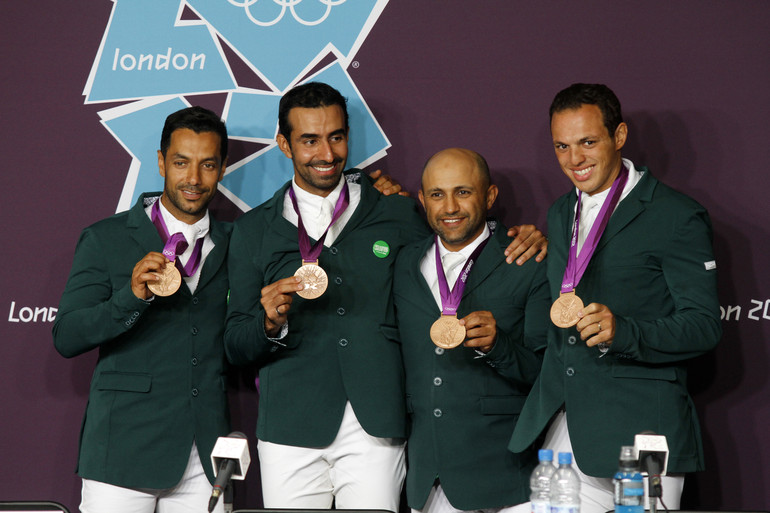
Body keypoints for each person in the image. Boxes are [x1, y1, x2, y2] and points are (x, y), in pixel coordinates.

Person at [224, 82, 547, 510]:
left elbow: (456, 247)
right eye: (309, 140)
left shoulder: (396, 210)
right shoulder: (252, 231)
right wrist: (268, 324)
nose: (326, 153)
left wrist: (522, 237)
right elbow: (235, 344)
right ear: (284, 144)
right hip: (290, 428)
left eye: (336, 137)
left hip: (376, 424)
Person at [509, 83, 722, 512]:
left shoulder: (675, 216)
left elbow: (704, 326)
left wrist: (622, 331)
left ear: (619, 136)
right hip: (565, 432)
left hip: (642, 432)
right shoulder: (558, 212)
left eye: (588, 142)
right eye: (562, 146)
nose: (574, 160)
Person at [53, 106, 232, 512]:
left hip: (205, 456)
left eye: (207, 165)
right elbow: (67, 336)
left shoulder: (237, 241)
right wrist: (132, 297)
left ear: (222, 168)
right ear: (160, 161)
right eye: (181, 162)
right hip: (122, 452)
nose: (193, 179)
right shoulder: (106, 238)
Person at [393, 148, 550, 513]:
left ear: (490, 196)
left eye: (463, 192)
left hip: (505, 481)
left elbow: (549, 374)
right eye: (437, 194)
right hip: (427, 480)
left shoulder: (527, 261)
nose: (449, 207)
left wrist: (500, 347)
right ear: (422, 200)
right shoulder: (403, 262)